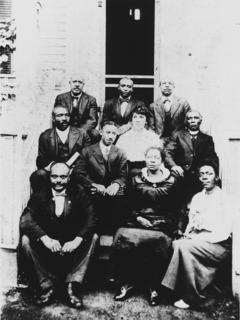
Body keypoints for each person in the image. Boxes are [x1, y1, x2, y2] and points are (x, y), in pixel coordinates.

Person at [20, 162, 98, 308]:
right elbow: (26, 219)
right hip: (49, 246)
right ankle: (47, 286)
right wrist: (45, 238)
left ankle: (72, 285)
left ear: (69, 178)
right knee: (26, 241)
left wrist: (77, 240)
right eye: (54, 176)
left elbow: (91, 218)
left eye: (63, 177)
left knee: (93, 238)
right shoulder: (40, 194)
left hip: (71, 245)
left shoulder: (78, 191)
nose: (58, 181)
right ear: (49, 177)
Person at [161, 161, 233, 309]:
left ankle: (188, 296)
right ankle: (178, 290)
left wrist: (196, 238)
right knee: (177, 243)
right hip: (199, 242)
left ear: (216, 178)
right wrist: (188, 234)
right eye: (202, 174)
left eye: (209, 174)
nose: (205, 177)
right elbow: (191, 224)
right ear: (199, 178)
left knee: (184, 246)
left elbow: (225, 230)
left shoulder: (224, 199)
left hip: (219, 245)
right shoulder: (197, 198)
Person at [112, 146, 177, 306]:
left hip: (161, 223)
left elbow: (177, 207)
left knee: (160, 241)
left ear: (162, 161)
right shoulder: (135, 178)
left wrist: (168, 223)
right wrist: (139, 217)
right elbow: (127, 205)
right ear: (145, 159)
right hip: (137, 221)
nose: (152, 161)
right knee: (123, 236)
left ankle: (153, 286)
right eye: (149, 157)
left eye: (156, 158)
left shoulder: (172, 180)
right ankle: (126, 283)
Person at [72, 121, 128, 234]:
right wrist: (93, 184)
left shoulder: (120, 152)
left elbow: (124, 175)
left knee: (121, 197)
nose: (110, 136)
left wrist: (117, 184)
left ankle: (113, 234)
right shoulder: (87, 151)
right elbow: (78, 173)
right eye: (108, 132)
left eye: (114, 133)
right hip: (93, 189)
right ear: (101, 132)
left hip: (111, 190)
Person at [164, 110, 219, 209]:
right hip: (181, 173)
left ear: (200, 120)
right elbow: (167, 152)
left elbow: (211, 157)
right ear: (186, 121)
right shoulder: (178, 135)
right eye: (190, 118)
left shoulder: (207, 139)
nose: (193, 120)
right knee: (175, 187)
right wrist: (174, 166)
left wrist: (204, 170)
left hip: (198, 173)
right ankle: (178, 216)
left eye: (196, 118)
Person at [30, 105, 91, 192]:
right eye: (60, 115)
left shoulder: (82, 134)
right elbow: (41, 160)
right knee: (39, 175)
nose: (65, 118)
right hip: (54, 172)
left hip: (75, 170)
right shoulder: (45, 136)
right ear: (53, 118)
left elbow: (88, 157)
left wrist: (73, 169)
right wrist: (55, 168)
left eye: (67, 115)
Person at [116, 105, 162, 177]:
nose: (138, 120)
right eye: (135, 117)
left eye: (141, 117)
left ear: (146, 121)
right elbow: (118, 159)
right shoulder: (123, 138)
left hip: (148, 170)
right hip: (128, 170)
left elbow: (159, 158)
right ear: (131, 120)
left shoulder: (153, 137)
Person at [54, 74, 100, 143]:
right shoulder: (61, 98)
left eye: (80, 82)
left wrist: (80, 131)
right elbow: (57, 116)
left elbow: (92, 119)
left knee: (95, 134)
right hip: (65, 128)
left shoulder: (91, 99)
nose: (77, 85)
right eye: (74, 82)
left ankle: (90, 153)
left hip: (84, 130)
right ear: (70, 83)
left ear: (83, 84)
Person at [149, 78, 191, 143]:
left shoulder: (183, 103)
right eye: (164, 83)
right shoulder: (153, 106)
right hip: (159, 141)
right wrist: (156, 139)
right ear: (160, 86)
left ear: (174, 87)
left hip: (179, 141)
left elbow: (189, 123)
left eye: (170, 83)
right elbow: (151, 126)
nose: (167, 85)